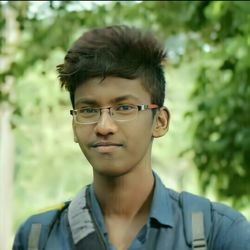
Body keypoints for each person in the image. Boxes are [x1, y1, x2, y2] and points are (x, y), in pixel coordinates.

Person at [13, 25, 250, 250]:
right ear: (74, 126)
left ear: (160, 121)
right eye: (88, 110)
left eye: (124, 108)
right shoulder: (38, 237)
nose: (104, 126)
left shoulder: (217, 232)